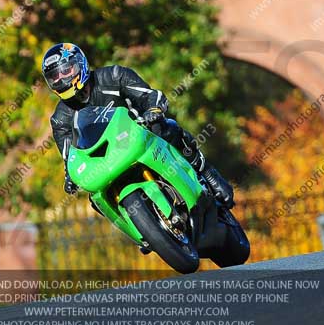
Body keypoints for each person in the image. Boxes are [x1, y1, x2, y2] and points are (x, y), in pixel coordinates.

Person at [41, 42, 234, 207]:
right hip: (105, 160)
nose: (61, 79)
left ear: (80, 63)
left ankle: (207, 173)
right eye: (54, 77)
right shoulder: (60, 119)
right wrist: (71, 177)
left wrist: (154, 110)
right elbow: (70, 158)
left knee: (168, 127)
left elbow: (150, 96)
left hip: (139, 135)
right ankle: (135, 226)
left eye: (66, 71)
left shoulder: (114, 76)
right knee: (95, 198)